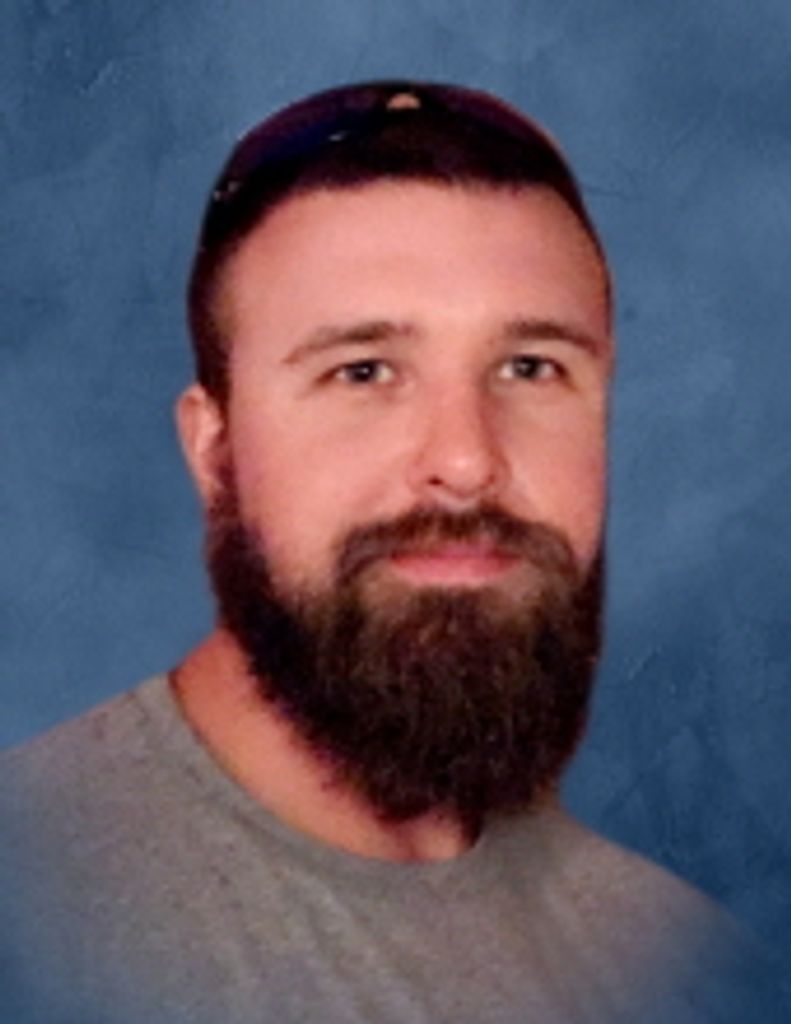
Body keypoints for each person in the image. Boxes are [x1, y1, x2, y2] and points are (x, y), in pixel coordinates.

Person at [0, 80, 782, 1024]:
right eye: (362, 371)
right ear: (214, 453)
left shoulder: (693, 965)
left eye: (529, 367)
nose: (466, 461)